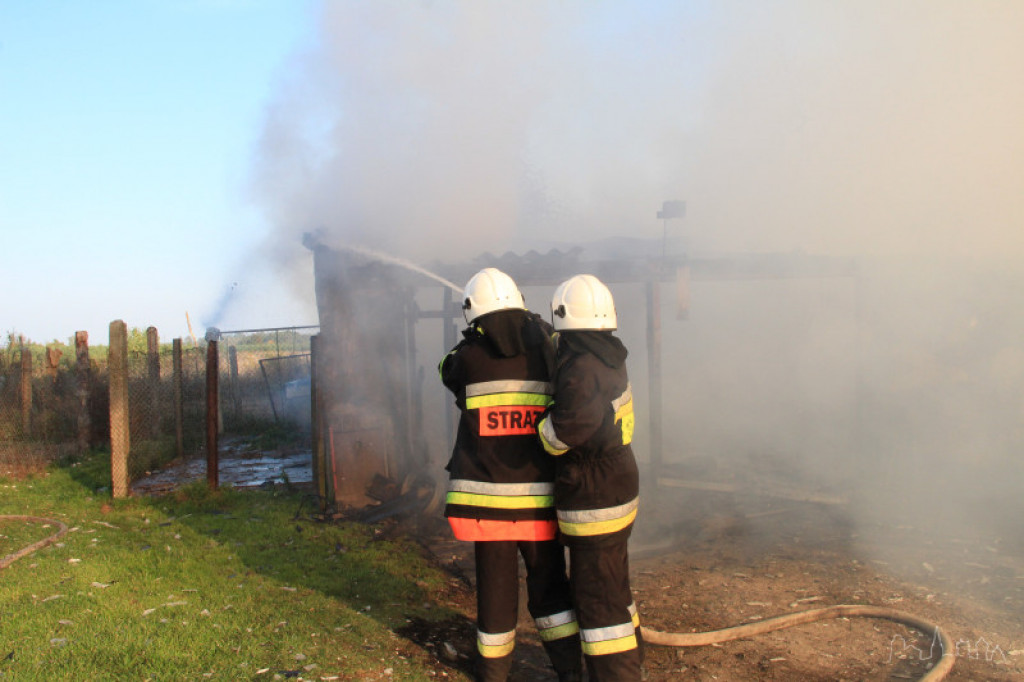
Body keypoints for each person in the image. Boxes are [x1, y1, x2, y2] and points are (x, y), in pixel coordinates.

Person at [439, 267, 583, 682]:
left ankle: (493, 674)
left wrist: (470, 340)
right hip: (540, 505)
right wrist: (539, 329)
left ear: (474, 316)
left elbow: (445, 370)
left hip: (487, 510)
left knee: (496, 595)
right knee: (551, 589)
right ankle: (569, 671)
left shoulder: (466, 358)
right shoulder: (548, 352)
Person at [538, 274, 642, 681]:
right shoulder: (609, 356)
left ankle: (617, 676)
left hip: (593, 496)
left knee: (597, 602)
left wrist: (541, 427)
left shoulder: (580, 370)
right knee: (614, 586)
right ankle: (634, 663)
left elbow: (562, 435)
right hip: (617, 485)